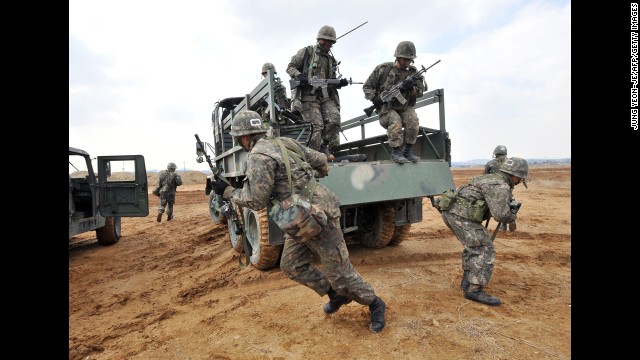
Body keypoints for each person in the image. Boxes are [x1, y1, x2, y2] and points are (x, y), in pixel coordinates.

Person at [211, 110, 386, 333]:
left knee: (340, 271)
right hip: (295, 218)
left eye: (239, 139)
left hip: (318, 215)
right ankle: (335, 295)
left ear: (245, 137)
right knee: (292, 265)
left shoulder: (257, 157)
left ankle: (375, 303)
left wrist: (227, 192)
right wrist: (313, 179)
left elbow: (255, 200)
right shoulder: (286, 142)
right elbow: (321, 160)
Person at [440, 157, 528, 306]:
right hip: (460, 216)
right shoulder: (500, 185)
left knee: (473, 246)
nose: (519, 182)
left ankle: (467, 282)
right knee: (484, 248)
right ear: (515, 175)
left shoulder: (489, 178)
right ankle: (474, 290)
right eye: (520, 179)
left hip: (451, 213)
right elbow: (501, 215)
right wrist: (512, 214)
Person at [286, 25, 350, 161]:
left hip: (325, 97)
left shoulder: (331, 60)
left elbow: (330, 80)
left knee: (335, 119)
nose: (327, 44)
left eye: (330, 42)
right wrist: (300, 77)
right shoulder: (307, 52)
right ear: (319, 39)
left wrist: (339, 83)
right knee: (317, 127)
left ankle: (323, 145)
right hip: (308, 97)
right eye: (325, 41)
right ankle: (311, 158)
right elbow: (290, 67)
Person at [363, 41, 426, 164]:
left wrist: (411, 88)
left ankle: (407, 150)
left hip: (404, 107)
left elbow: (420, 92)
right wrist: (375, 99)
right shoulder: (383, 70)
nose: (407, 61)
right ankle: (396, 151)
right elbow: (367, 86)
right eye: (405, 58)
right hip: (386, 109)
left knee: (413, 121)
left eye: (410, 59)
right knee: (395, 120)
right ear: (397, 57)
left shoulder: (413, 73)